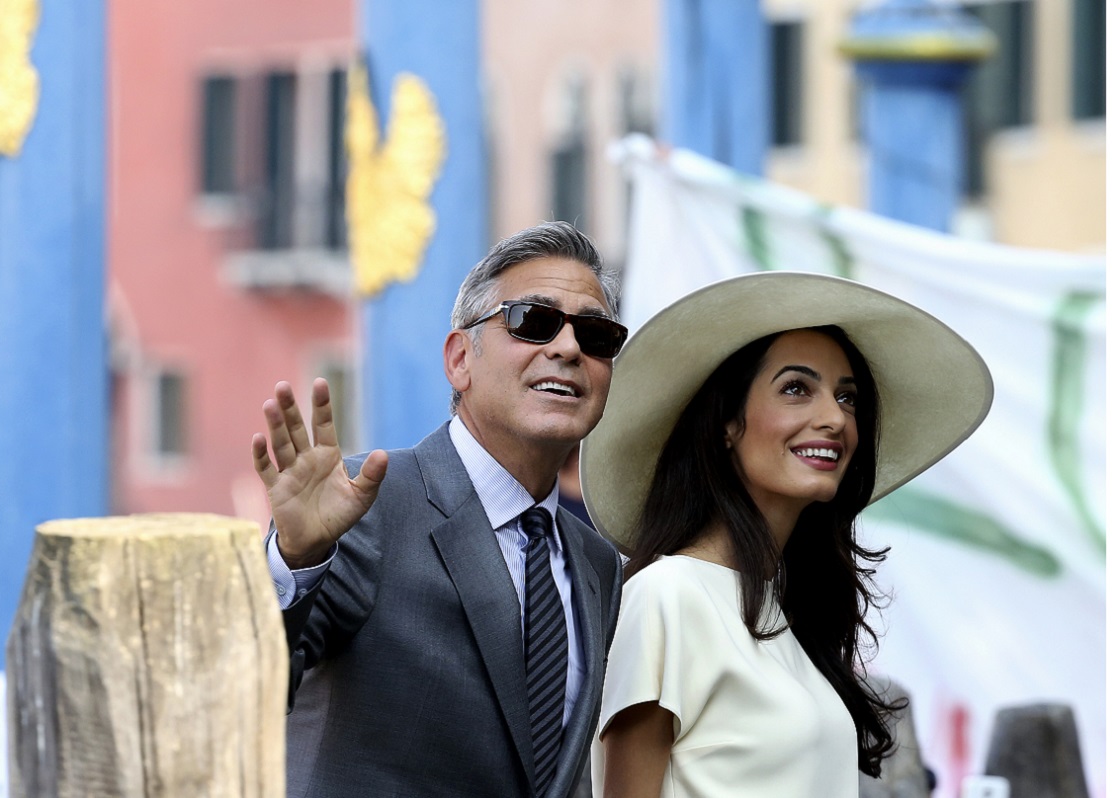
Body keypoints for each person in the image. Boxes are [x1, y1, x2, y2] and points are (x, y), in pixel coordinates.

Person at [578, 272, 993, 798]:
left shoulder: (790, 613)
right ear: (727, 423)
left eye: (848, 398)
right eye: (797, 389)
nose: (834, 418)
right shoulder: (668, 596)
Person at [251, 221, 627, 798]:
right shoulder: (365, 506)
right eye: (533, 321)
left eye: (596, 334)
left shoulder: (597, 563)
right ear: (459, 359)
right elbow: (249, 684)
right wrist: (295, 561)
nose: (568, 349)